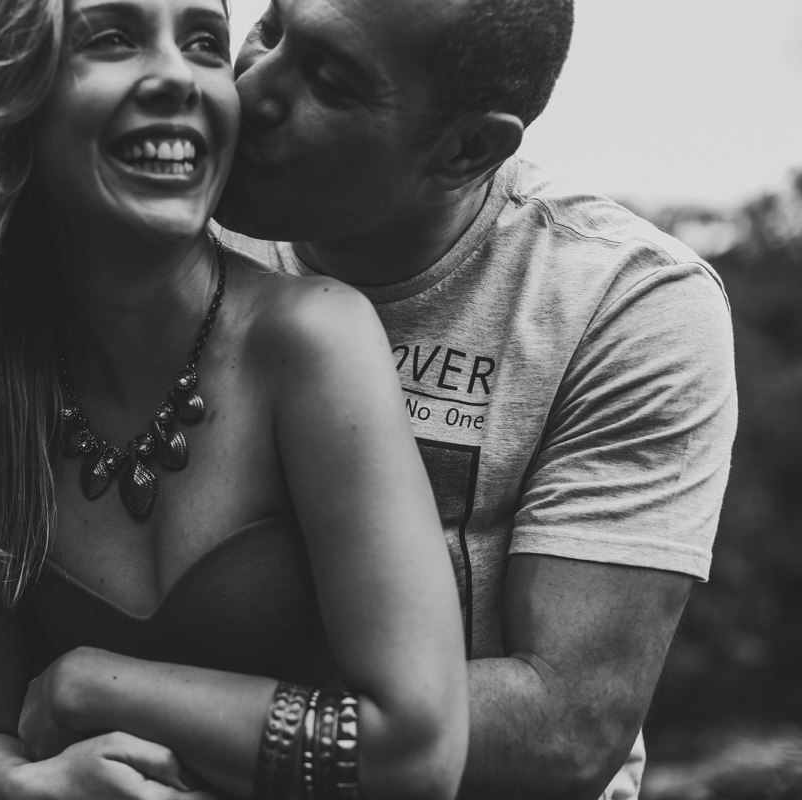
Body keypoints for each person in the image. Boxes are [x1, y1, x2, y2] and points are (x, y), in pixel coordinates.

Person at [0, 0, 471, 797]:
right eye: (115, 37)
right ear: (12, 97)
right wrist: (26, 786)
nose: (178, 78)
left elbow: (417, 752)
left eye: (204, 43)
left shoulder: (312, 341)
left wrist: (95, 687)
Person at [207, 0, 738, 798]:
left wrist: (117, 699)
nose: (250, 90)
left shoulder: (621, 304)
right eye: (271, 28)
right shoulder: (169, 222)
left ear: (468, 148)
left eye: (329, 80)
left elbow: (566, 728)